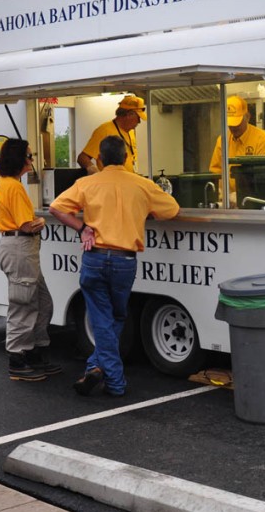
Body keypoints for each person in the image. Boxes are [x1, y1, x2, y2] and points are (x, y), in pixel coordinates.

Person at [49, 136, 179, 397]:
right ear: (126, 158)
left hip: (94, 258)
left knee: (104, 320)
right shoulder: (143, 185)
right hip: (124, 260)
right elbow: (172, 210)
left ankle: (95, 368)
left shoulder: (87, 183)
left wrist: (83, 227)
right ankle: (116, 382)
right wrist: (146, 210)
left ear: (100, 159)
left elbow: (56, 208)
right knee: (115, 317)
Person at [0, 138, 61, 382]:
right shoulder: (14, 187)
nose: (32, 160)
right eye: (29, 156)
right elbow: (26, 224)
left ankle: (35, 352)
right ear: (19, 159)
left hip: (16, 247)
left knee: (42, 302)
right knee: (24, 305)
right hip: (20, 246)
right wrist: (41, 222)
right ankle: (17, 359)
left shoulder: (4, 183)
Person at [77, 94, 146, 174]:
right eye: (138, 117)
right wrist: (95, 173)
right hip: (110, 183)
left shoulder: (131, 131)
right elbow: (82, 158)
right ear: (129, 115)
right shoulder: (104, 131)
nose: (139, 121)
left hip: (129, 181)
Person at [208, 95, 265, 174]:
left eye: (237, 123)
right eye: (230, 124)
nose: (233, 127)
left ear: (247, 117)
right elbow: (215, 171)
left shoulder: (261, 139)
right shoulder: (222, 140)